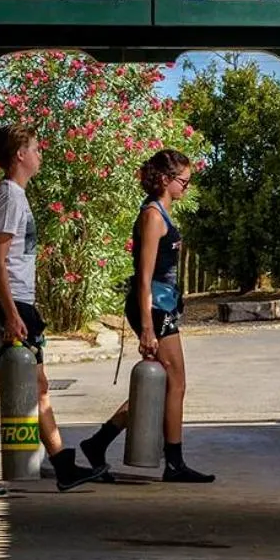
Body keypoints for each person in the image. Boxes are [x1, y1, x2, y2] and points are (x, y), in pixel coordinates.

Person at [0, 127, 109, 497]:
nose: (40, 154)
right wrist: (10, 313)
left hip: (15, 302)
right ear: (19, 154)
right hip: (7, 303)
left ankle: (60, 464)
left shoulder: (16, 195)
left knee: (30, 385)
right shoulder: (9, 197)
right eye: (35, 148)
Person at [79, 149, 216, 483]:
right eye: (183, 181)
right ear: (166, 180)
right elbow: (144, 276)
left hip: (163, 304)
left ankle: (97, 443)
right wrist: (146, 328)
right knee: (176, 383)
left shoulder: (161, 212)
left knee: (161, 384)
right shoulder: (153, 216)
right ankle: (174, 463)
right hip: (153, 307)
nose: (186, 187)